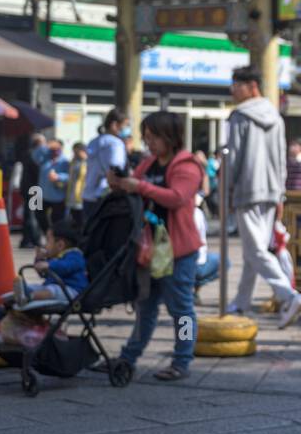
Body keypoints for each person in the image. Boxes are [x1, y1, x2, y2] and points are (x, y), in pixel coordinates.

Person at [111, 111, 205, 382]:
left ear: (169, 136)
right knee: (146, 307)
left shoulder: (187, 165)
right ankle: (128, 357)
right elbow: (136, 188)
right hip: (149, 249)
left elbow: (176, 198)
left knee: (181, 309)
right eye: (146, 137)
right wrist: (119, 184)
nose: (148, 142)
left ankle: (183, 360)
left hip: (179, 250)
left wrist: (139, 186)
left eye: (153, 137)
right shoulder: (149, 163)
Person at [224, 66, 301, 327]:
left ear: (252, 86)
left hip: (247, 189)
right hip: (270, 190)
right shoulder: (276, 117)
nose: (232, 90)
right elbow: (281, 160)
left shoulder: (240, 116)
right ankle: (240, 303)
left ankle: (288, 295)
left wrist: (226, 190)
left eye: (236, 85)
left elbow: (232, 158)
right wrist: (280, 194)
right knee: (251, 252)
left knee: (256, 250)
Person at [0, 218, 88, 319]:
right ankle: (7, 305)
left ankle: (28, 296)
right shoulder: (56, 257)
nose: (45, 245)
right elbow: (44, 274)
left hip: (72, 291)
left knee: (51, 290)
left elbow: (66, 267)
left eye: (48, 241)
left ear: (60, 245)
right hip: (58, 287)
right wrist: (39, 260)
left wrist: (48, 265)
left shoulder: (75, 255)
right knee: (37, 287)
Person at [82, 109, 130, 221]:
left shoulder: (94, 141)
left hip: (88, 195)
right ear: (114, 125)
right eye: (125, 125)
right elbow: (116, 169)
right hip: (105, 196)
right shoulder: (115, 144)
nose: (127, 129)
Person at [17, 134, 47, 249]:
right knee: (33, 215)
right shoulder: (34, 155)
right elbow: (38, 172)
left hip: (29, 188)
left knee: (29, 214)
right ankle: (33, 239)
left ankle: (27, 239)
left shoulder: (28, 154)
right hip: (35, 189)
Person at [37, 139, 69, 234]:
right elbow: (35, 155)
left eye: (57, 148)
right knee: (39, 215)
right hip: (42, 195)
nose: (55, 151)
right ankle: (47, 234)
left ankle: (56, 237)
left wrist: (58, 177)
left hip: (58, 196)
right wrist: (45, 145)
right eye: (53, 148)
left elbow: (70, 176)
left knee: (57, 220)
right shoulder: (44, 159)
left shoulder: (65, 161)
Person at [66, 142, 88, 228]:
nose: (75, 154)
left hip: (83, 197)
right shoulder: (73, 162)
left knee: (82, 222)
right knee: (75, 222)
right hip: (72, 197)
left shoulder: (89, 162)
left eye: (77, 152)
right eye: (74, 152)